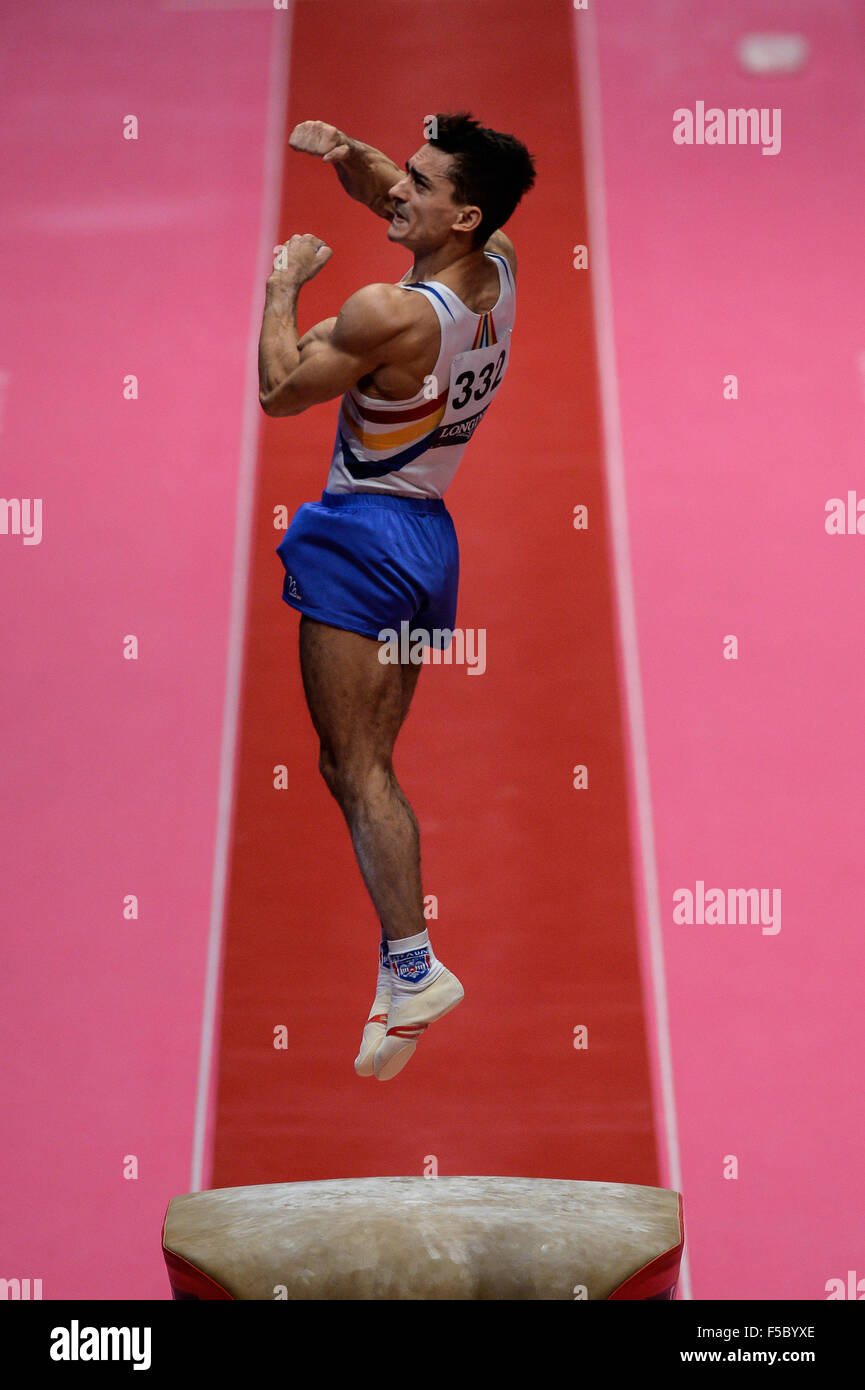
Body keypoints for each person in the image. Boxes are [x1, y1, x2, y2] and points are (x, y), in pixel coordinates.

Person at [258, 112, 536, 1080]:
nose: (397, 190)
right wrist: (347, 158)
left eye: (418, 184)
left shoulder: (389, 312)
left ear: (459, 214)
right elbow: (390, 190)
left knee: (357, 767)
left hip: (360, 536)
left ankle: (413, 965)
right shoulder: (497, 264)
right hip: (427, 540)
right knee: (352, 764)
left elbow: (282, 389)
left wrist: (285, 285)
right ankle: (403, 965)